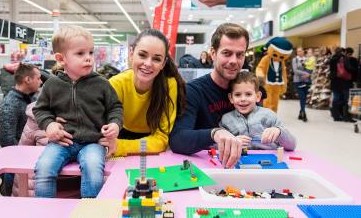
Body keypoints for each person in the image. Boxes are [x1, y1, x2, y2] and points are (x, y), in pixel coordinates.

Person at [33, 25, 123, 198]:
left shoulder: (102, 84)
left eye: (91, 52)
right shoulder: (52, 85)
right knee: (43, 168)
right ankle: (42, 210)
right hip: (62, 142)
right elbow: (41, 109)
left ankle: (89, 212)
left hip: (93, 143)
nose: (88, 58)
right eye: (80, 54)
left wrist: (115, 124)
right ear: (61, 58)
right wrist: (49, 124)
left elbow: (115, 107)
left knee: (93, 168)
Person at [169, 23, 248, 168]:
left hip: (245, 166)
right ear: (213, 53)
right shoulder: (193, 90)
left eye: (240, 54)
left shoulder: (248, 89)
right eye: (226, 53)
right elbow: (177, 140)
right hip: (204, 169)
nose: (233, 61)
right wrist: (214, 133)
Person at [106, 29, 186, 156]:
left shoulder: (169, 85)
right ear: (131, 54)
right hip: (120, 136)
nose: (148, 63)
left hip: (148, 144)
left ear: (163, 63)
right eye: (142, 55)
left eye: (156, 59)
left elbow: (161, 139)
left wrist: (120, 146)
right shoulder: (116, 84)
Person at [220, 71, 296, 151]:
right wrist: (232, 142)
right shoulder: (226, 120)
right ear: (231, 98)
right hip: (239, 160)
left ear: (257, 96)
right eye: (238, 95)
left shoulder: (269, 115)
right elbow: (217, 146)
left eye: (248, 94)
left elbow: (292, 145)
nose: (243, 99)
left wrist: (279, 132)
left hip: (271, 160)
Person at [0, 63, 42, 196]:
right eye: (38, 78)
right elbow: (7, 141)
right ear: (28, 80)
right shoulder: (9, 104)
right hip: (17, 162)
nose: (41, 81)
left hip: (27, 158)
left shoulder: (29, 98)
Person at [329, 47, 356, 122]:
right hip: (344, 82)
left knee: (336, 98)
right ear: (342, 52)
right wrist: (354, 70)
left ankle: (336, 116)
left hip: (334, 82)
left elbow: (331, 70)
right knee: (347, 99)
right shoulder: (344, 58)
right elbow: (349, 68)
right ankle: (346, 117)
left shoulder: (332, 59)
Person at [292, 47, 312, 122]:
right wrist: (306, 73)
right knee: (302, 96)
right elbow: (295, 70)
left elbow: (311, 68)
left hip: (306, 81)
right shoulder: (295, 60)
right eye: (298, 51)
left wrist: (309, 74)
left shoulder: (307, 59)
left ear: (303, 51)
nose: (299, 52)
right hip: (298, 81)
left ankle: (301, 112)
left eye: (300, 51)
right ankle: (304, 113)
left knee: (305, 97)